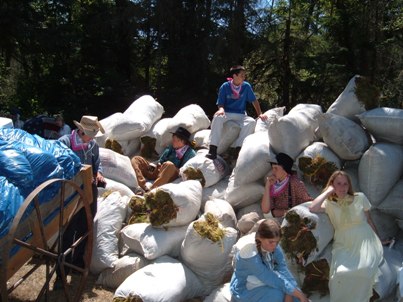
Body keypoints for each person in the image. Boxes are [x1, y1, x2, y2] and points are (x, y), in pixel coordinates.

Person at [309, 170, 383, 302]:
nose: (342, 187)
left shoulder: (360, 197)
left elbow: (369, 221)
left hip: (365, 239)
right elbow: (313, 207)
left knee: (364, 271)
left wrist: (378, 240)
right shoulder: (330, 204)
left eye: (345, 184)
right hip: (343, 243)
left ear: (349, 186)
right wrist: (328, 191)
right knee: (339, 274)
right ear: (332, 185)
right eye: (338, 184)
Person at [54, 115, 106, 289]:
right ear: (81, 130)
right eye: (89, 134)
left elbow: (97, 164)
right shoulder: (65, 142)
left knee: (85, 228)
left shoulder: (93, 145)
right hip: (70, 192)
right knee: (68, 231)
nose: (91, 138)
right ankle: (61, 274)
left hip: (88, 191)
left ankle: (77, 265)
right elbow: (57, 165)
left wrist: (98, 174)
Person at [230, 219, 310, 302]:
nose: (274, 245)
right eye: (271, 242)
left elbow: (283, 269)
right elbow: (269, 277)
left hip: (264, 282)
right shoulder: (249, 253)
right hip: (246, 288)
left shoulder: (273, 245)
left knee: (295, 296)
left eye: (277, 242)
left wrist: (292, 293)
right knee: (278, 295)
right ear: (260, 238)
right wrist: (295, 293)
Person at [206, 65, 268, 160]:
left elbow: (254, 101)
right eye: (242, 75)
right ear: (234, 75)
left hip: (241, 114)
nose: (244, 77)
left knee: (251, 122)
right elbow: (220, 103)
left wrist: (260, 114)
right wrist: (221, 109)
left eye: (244, 75)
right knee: (217, 118)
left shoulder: (246, 86)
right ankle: (213, 149)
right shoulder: (225, 86)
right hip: (227, 113)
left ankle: (238, 149)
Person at [131, 126, 196, 193]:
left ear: (182, 141)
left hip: (171, 174)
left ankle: (150, 191)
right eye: (173, 139)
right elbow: (161, 160)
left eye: (175, 140)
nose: (173, 141)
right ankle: (142, 186)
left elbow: (185, 170)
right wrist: (155, 165)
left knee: (169, 165)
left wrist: (170, 166)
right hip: (159, 170)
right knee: (136, 159)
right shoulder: (171, 148)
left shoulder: (190, 153)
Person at [261, 152, 312, 221]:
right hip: (277, 220)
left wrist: (287, 212)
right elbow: (265, 210)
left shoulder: (295, 182)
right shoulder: (272, 185)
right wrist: (267, 186)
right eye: (272, 168)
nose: (273, 171)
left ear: (285, 170)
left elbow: (308, 204)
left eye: (276, 168)